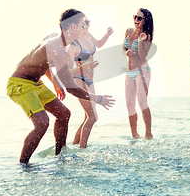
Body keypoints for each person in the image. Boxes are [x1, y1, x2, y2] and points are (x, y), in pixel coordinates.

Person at [6, 9, 115, 164]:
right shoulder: (58, 49)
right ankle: (23, 165)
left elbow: (43, 64)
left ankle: (60, 158)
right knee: (42, 123)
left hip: (36, 83)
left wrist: (56, 83)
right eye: (81, 24)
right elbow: (71, 88)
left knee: (64, 114)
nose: (84, 26)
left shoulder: (56, 42)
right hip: (19, 84)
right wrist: (97, 99)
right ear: (71, 27)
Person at [67, 15, 114, 148]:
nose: (87, 26)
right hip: (79, 80)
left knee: (88, 116)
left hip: (90, 81)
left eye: (88, 23)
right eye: (84, 23)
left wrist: (107, 35)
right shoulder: (73, 45)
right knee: (93, 117)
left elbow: (98, 44)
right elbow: (68, 71)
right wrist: (84, 67)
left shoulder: (88, 36)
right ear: (77, 25)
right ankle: (82, 150)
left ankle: (75, 145)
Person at [123, 8, 154, 140]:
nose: (136, 20)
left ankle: (148, 133)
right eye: (135, 17)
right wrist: (127, 53)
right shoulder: (128, 31)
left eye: (139, 18)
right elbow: (123, 49)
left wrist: (140, 43)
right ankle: (134, 134)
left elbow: (143, 56)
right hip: (129, 72)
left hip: (142, 71)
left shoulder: (146, 35)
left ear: (144, 21)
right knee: (129, 104)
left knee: (142, 101)